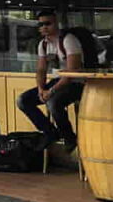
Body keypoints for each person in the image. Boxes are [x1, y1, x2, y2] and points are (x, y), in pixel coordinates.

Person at [17, 9, 85, 151]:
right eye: (40, 25)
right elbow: (41, 69)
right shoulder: (43, 44)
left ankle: (69, 137)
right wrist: (41, 89)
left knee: (53, 102)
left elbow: (71, 73)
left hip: (76, 83)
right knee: (23, 100)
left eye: (47, 23)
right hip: (57, 81)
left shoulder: (68, 40)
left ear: (56, 23)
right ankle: (51, 133)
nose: (44, 27)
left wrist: (51, 91)